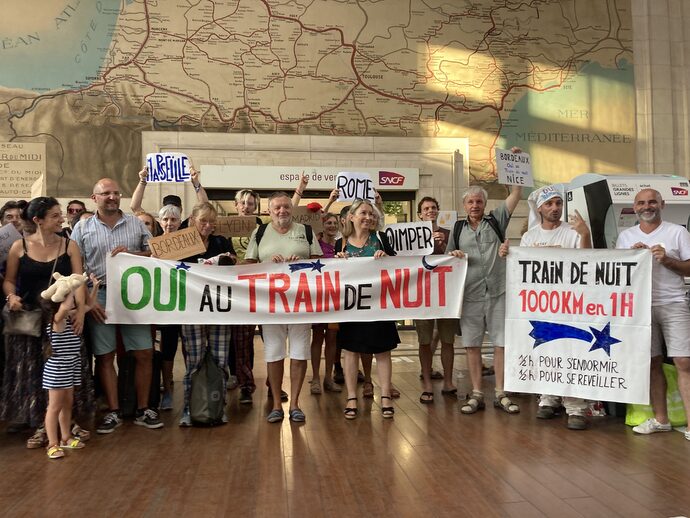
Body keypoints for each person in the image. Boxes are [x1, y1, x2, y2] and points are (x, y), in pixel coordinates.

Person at [71, 178, 163, 433]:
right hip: (98, 296)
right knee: (105, 354)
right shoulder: (82, 228)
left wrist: (135, 254)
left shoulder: (135, 223)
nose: (112, 197)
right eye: (106, 193)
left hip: (134, 295)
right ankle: (113, 411)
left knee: (144, 352)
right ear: (94, 198)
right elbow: (76, 267)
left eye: (115, 193)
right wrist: (88, 300)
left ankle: (145, 409)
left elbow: (157, 254)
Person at [1, 197, 90, 448]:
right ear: (38, 220)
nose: (61, 219)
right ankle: (42, 426)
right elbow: (9, 279)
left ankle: (65, 426)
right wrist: (11, 296)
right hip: (30, 321)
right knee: (37, 375)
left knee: (64, 376)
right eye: (54, 215)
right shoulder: (19, 247)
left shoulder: (69, 246)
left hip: (63, 321)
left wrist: (81, 311)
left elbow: (78, 281)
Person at [507, 185, 592, 429]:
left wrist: (585, 235)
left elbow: (588, 262)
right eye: (549, 204)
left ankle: (575, 407)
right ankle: (548, 398)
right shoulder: (529, 237)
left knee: (570, 351)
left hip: (569, 305)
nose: (555, 208)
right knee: (544, 351)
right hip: (541, 306)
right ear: (540, 208)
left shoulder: (573, 231)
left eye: (558, 204)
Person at [615, 188, 690, 440]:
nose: (647, 206)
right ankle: (661, 419)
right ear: (634, 207)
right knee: (652, 362)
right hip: (639, 308)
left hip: (673, 303)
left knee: (683, 362)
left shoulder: (677, 232)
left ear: (662, 204)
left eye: (652, 202)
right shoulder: (626, 236)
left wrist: (666, 259)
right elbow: (617, 273)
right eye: (641, 203)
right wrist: (631, 257)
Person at [244, 192, 323, 423]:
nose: (282, 211)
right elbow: (249, 265)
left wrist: (302, 264)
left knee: (300, 352)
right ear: (269, 211)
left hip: (301, 301)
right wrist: (267, 265)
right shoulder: (259, 233)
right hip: (270, 303)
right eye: (277, 207)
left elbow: (321, 263)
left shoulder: (305, 232)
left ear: (292, 209)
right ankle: (277, 404)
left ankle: (296, 404)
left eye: (286, 207)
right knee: (274, 353)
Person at [446, 180, 522, 416]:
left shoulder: (496, 220)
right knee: (471, 345)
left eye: (479, 201)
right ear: (464, 205)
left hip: (498, 291)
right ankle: (477, 393)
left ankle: (501, 392)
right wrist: (455, 254)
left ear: (485, 204)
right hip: (470, 293)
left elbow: (517, 194)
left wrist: (514, 172)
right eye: (470, 201)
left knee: (501, 343)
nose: (475, 205)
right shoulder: (457, 229)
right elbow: (449, 258)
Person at [337, 200, 399, 420]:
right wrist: (338, 261)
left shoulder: (381, 239)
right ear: (351, 217)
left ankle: (385, 396)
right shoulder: (340, 243)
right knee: (351, 351)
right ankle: (352, 396)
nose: (369, 217)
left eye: (372, 214)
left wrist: (387, 259)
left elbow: (399, 267)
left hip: (379, 304)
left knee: (383, 350)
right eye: (363, 213)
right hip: (351, 307)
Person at [176, 203, 236, 426]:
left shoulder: (221, 242)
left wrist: (231, 260)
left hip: (219, 309)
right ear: (192, 220)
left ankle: (218, 407)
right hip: (191, 309)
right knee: (194, 361)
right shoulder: (181, 243)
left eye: (212, 221)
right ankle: (188, 410)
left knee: (220, 360)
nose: (208, 226)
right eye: (204, 221)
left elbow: (233, 269)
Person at [42, 274, 100, 459]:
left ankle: (66, 437)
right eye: (69, 296)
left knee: (67, 403)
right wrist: (68, 287)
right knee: (54, 406)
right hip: (58, 367)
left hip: (71, 364)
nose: (73, 299)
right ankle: (52, 443)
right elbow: (64, 306)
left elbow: (89, 306)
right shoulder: (57, 320)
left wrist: (95, 287)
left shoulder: (69, 316)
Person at [415, 196, 457, 403]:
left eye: (433, 207)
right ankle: (428, 383)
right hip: (422, 295)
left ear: (438, 211)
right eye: (426, 208)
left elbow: (457, 258)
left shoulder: (450, 234)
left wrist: (445, 246)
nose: (430, 211)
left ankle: (448, 381)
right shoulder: (412, 238)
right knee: (424, 341)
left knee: (447, 339)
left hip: (446, 294)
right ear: (419, 214)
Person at [230, 188, 262, 404]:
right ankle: (232, 375)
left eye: (250, 203)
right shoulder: (225, 227)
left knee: (245, 337)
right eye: (242, 203)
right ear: (236, 205)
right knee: (228, 336)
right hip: (228, 286)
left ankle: (246, 382)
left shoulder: (262, 229)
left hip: (253, 287)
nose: (246, 206)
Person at [309, 212, 341, 394]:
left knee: (332, 338)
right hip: (318, 297)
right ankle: (315, 378)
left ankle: (329, 377)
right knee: (317, 337)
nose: (331, 225)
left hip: (336, 298)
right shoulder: (316, 244)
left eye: (334, 223)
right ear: (323, 225)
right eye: (328, 222)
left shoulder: (341, 245)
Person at [156, 204, 184, 410]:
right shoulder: (154, 245)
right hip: (167, 306)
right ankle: (167, 388)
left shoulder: (189, 243)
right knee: (168, 348)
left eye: (173, 220)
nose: (169, 223)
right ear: (160, 222)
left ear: (180, 222)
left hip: (188, 304)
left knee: (192, 349)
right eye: (165, 219)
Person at [130, 165, 208, 230]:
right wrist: (142, 181)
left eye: (175, 208)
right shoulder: (157, 228)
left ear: (181, 210)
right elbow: (135, 207)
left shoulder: (187, 226)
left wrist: (196, 182)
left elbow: (205, 207)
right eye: (165, 219)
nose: (169, 223)